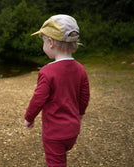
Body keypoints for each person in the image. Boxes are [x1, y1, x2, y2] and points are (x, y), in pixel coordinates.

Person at [24, 14, 90, 167]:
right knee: (61, 158)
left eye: (43, 42)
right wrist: (79, 115)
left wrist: (29, 118)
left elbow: (38, 99)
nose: (43, 46)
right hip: (73, 130)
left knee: (55, 162)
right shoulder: (80, 69)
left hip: (54, 133)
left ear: (51, 43)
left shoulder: (47, 72)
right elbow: (84, 96)